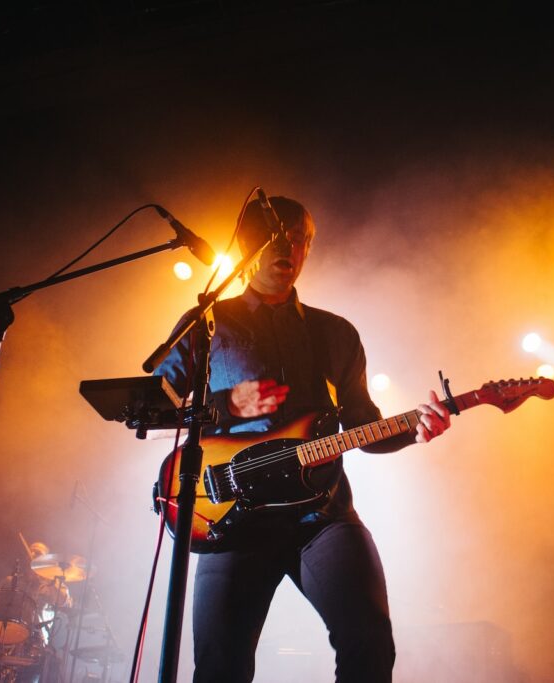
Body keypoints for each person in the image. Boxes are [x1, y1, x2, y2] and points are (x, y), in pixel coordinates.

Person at [154, 196, 451, 682]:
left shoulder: (334, 333)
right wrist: (226, 406)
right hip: (234, 519)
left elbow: (364, 426)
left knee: (369, 643)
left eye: (300, 240)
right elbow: (149, 408)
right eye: (277, 236)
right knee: (218, 666)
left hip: (322, 517)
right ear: (249, 243)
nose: (289, 248)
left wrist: (413, 432)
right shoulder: (209, 323)